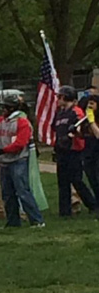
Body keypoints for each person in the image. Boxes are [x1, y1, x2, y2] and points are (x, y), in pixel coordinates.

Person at [0, 96, 45, 228]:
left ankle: (37, 220)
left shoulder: (22, 122)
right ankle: (13, 222)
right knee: (7, 194)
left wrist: (1, 151)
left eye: (5, 107)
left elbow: (20, 144)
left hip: (18, 160)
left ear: (12, 108)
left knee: (23, 191)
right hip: (5, 162)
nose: (2, 110)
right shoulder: (1, 121)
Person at [51, 85, 97, 217]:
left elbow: (82, 128)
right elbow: (56, 129)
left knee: (76, 180)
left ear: (66, 97)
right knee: (62, 182)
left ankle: (92, 204)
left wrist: (73, 132)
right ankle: (64, 212)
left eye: (60, 96)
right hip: (61, 150)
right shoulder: (59, 113)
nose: (58, 99)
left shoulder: (76, 112)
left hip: (74, 150)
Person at [78, 87, 99, 200]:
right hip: (88, 152)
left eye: (92, 104)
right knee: (91, 178)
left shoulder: (94, 120)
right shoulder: (86, 120)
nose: (90, 106)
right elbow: (82, 134)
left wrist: (92, 120)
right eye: (88, 104)